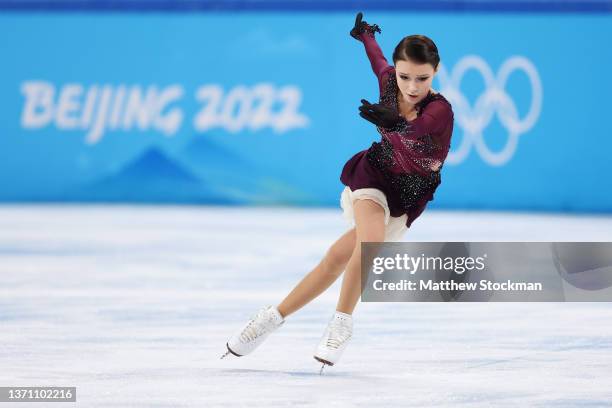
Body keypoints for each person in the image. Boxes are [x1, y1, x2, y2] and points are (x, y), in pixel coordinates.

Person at [220, 12, 454, 373]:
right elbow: (377, 61)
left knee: (335, 259)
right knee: (369, 242)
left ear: (436, 72)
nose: (411, 86)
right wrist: (364, 37)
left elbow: (421, 128)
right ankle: (341, 324)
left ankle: (272, 317)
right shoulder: (390, 81)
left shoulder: (440, 110)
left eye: (421, 78)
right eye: (405, 75)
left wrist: (395, 123)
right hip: (373, 175)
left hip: (408, 196)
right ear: (397, 69)